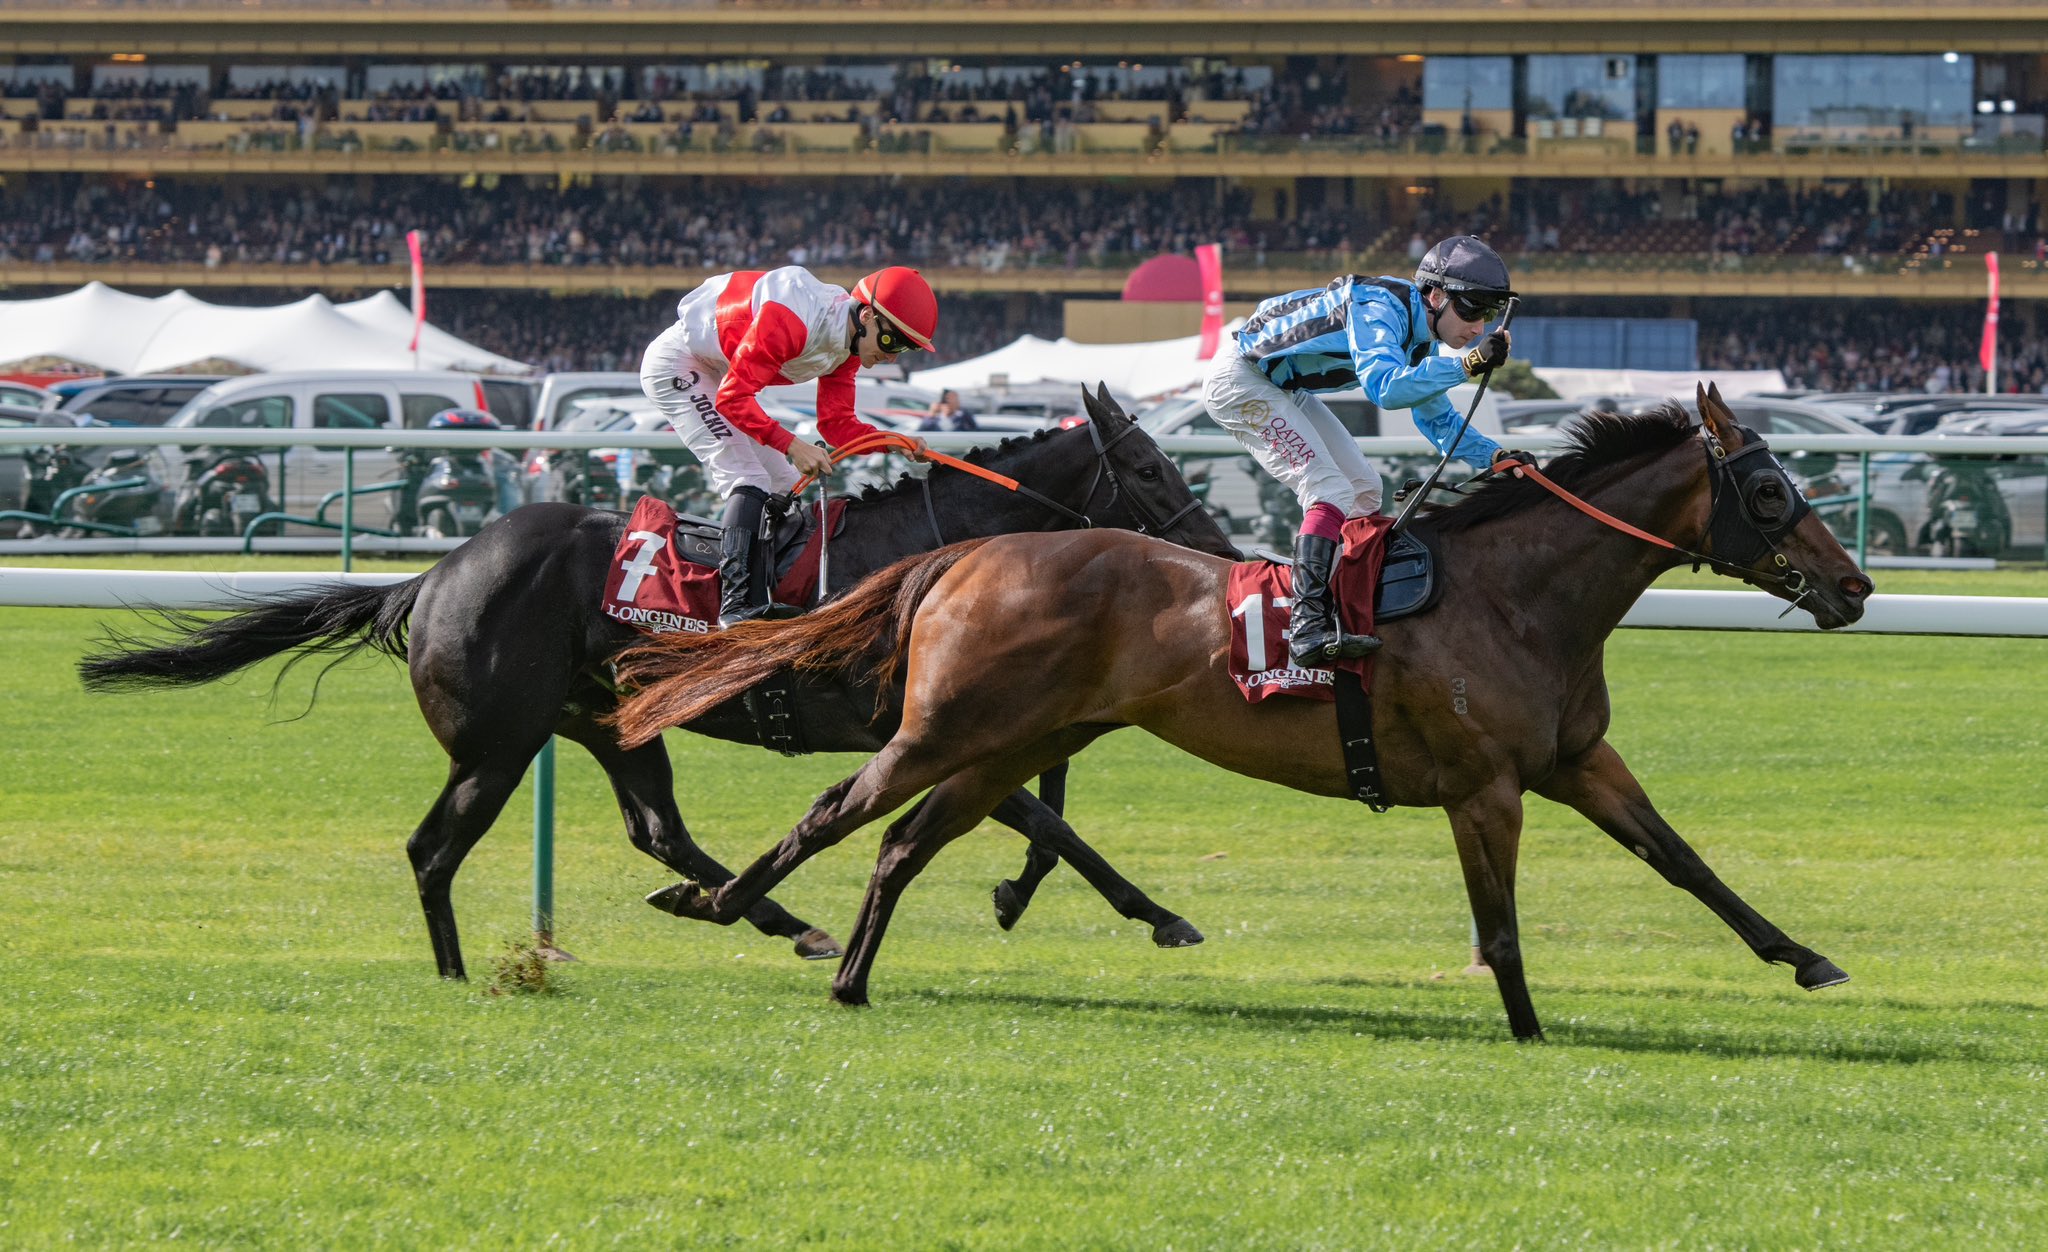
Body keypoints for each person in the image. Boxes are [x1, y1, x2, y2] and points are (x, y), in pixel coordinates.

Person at [1203, 233, 1523, 668]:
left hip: (1280, 386)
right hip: (1240, 381)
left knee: (1364, 489)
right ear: (1435, 295)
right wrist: (1466, 365)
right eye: (1472, 309)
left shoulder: (1421, 339)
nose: (1478, 328)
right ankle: (1307, 624)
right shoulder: (1379, 306)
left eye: (1488, 314)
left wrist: (1496, 458)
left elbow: (1438, 421)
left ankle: (1346, 606)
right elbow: (1385, 389)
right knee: (1329, 490)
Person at [640, 264, 936, 626]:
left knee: (784, 483)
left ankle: (766, 593)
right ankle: (734, 607)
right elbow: (733, 399)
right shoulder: (792, 318)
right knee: (747, 477)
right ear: (867, 316)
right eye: (892, 342)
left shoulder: (847, 348)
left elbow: (836, 425)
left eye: (904, 349)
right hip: (678, 364)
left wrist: (891, 442)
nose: (891, 357)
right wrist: (793, 445)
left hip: (719, 371)